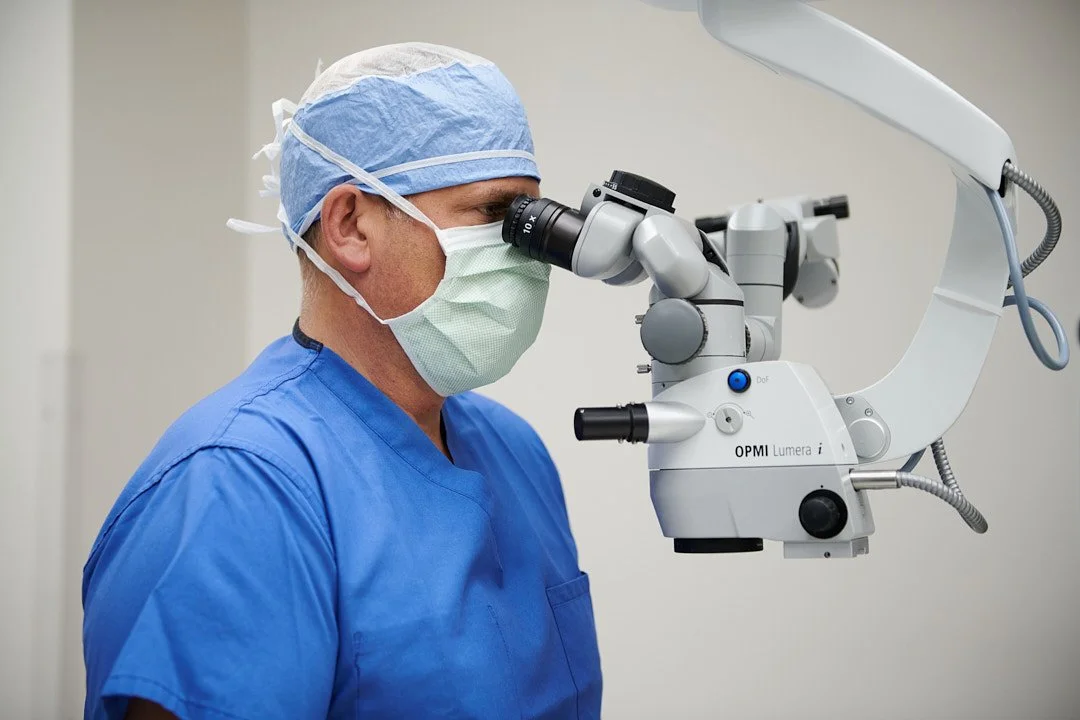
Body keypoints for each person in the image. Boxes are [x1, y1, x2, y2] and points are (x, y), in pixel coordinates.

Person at [82, 43, 602, 720]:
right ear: (351, 225)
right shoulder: (238, 482)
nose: (528, 255)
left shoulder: (515, 451)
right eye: (494, 215)